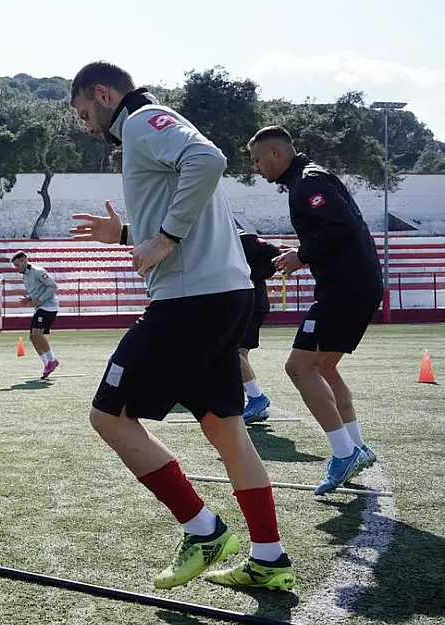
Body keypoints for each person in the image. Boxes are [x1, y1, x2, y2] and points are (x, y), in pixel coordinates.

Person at [69, 61, 294, 591]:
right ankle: (269, 559)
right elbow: (191, 191)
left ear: (103, 94)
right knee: (225, 428)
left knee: (110, 418)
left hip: (191, 299)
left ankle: (203, 529)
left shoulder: (145, 120)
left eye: (85, 113)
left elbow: (208, 160)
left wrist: (163, 238)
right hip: (225, 293)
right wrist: (126, 232)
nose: (87, 126)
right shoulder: (153, 133)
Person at [247, 125, 381, 495]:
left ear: (277, 153)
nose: (257, 168)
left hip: (346, 288)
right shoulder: (308, 180)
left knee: (298, 366)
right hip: (356, 284)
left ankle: (344, 451)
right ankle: (356, 446)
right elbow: (335, 228)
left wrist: (301, 255)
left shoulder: (308, 182)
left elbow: (339, 226)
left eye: (258, 160)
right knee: (323, 366)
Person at [237, 227, 282, 424]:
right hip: (247, 302)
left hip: (250, 302)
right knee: (240, 355)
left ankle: (256, 398)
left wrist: (254, 275)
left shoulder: (242, 238)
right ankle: (253, 403)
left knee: (232, 352)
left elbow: (272, 253)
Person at [11, 251, 60, 379]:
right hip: (40, 308)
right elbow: (35, 291)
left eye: (17, 265)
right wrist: (28, 298)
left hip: (48, 307)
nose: (16, 268)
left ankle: (52, 360)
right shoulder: (25, 275)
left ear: (24, 260)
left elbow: (53, 286)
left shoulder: (38, 272)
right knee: (33, 337)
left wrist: (40, 299)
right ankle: (47, 364)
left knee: (37, 333)